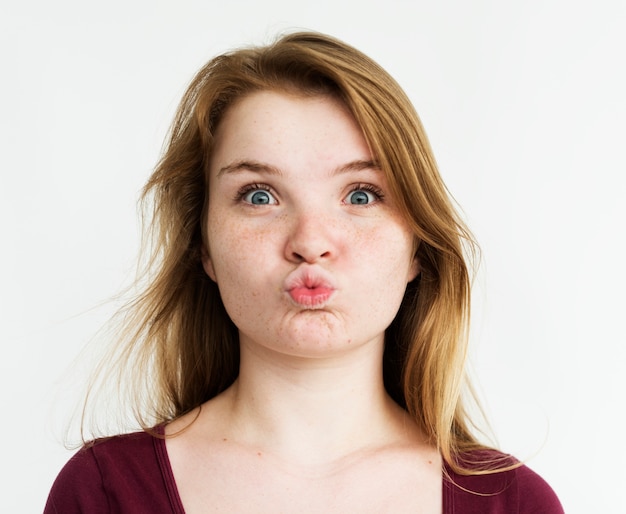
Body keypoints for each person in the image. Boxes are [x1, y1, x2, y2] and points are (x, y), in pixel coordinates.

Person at [44, 31, 563, 513]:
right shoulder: (101, 494)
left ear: (417, 249)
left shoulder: (512, 503)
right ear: (202, 245)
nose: (310, 242)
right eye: (259, 196)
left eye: (361, 195)